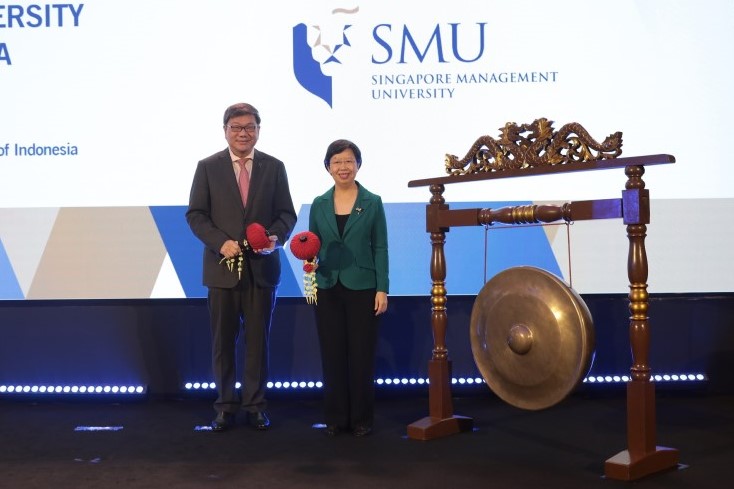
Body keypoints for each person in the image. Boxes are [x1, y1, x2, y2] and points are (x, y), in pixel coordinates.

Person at [186, 102, 296, 432]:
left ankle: (255, 405)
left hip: (262, 270)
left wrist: (274, 237)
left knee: (257, 342)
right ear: (225, 131)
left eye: (249, 127)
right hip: (221, 268)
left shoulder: (274, 167)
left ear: (258, 131)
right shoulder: (208, 167)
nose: (243, 134)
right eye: (236, 128)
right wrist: (220, 242)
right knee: (223, 342)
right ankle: (224, 406)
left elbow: (286, 214)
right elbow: (196, 215)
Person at [307, 139, 389, 437]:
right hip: (327, 285)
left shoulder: (373, 202)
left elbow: (380, 247)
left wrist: (382, 288)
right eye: (337, 161)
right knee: (332, 353)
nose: (343, 167)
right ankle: (336, 418)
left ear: (358, 165)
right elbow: (311, 245)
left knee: (361, 354)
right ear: (328, 167)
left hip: (363, 286)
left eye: (349, 161)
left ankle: (362, 419)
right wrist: (310, 262)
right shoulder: (318, 204)